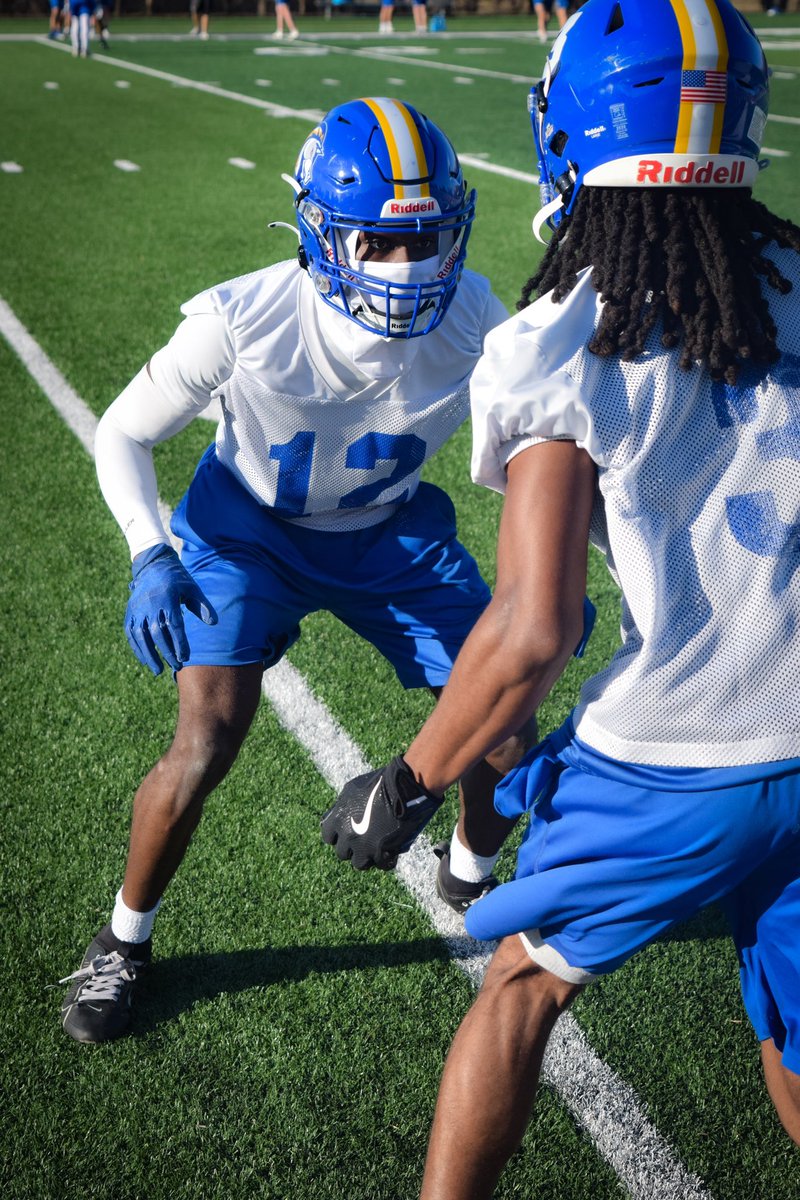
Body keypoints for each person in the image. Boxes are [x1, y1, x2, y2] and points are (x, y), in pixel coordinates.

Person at [322, 3, 800, 1195]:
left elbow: (536, 626)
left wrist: (410, 780)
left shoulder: (564, 336)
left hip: (680, 754)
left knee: (520, 987)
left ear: (570, 130)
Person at [57, 97, 551, 1045]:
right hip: (249, 527)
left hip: (390, 531)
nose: (409, 269)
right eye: (379, 241)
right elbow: (122, 430)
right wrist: (150, 551)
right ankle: (124, 940)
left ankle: (470, 872)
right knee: (207, 736)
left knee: (504, 718)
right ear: (322, 233)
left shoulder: (478, 317)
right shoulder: (244, 318)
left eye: (428, 240)